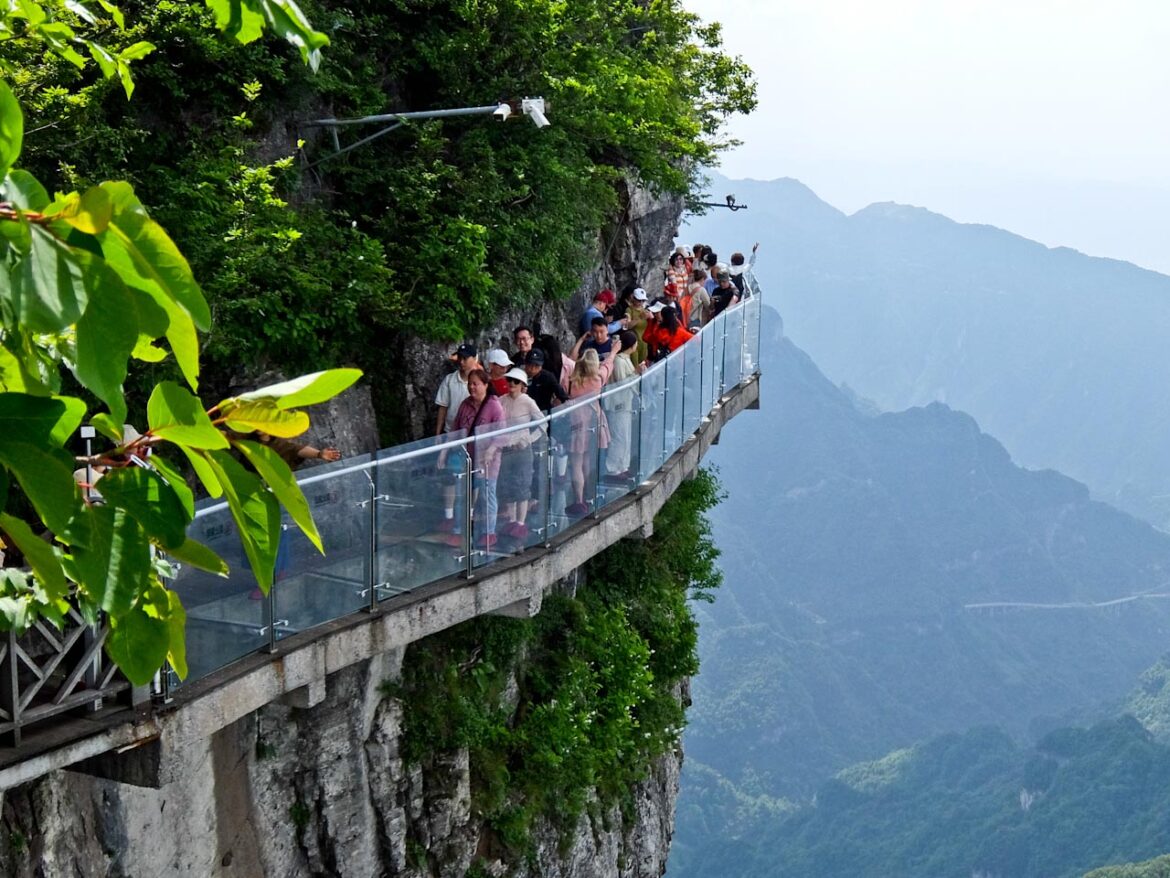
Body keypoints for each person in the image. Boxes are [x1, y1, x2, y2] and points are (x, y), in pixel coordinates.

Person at [565, 338, 622, 516]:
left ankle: (578, 499)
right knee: (589, 460)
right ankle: (590, 496)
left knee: (576, 462)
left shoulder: (572, 380)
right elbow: (608, 365)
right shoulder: (597, 378)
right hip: (593, 419)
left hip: (576, 421)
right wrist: (613, 351)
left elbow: (570, 360)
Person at [450, 369, 505, 549]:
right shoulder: (465, 404)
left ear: (485, 385)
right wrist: (444, 451)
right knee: (462, 494)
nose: (472, 387)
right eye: (470, 383)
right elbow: (456, 429)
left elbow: (501, 434)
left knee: (487, 496)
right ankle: (459, 530)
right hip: (466, 459)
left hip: (487, 461)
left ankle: (489, 532)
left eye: (476, 384)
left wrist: (491, 449)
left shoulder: (494, 406)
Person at [434, 343, 479, 531]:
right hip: (451, 433)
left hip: (473, 435)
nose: (461, 362)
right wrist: (438, 435)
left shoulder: (479, 381)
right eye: (460, 358)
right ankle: (449, 515)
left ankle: (470, 513)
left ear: (474, 359)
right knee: (450, 476)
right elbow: (442, 407)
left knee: (473, 476)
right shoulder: (450, 380)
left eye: (465, 358)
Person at [497, 367, 544, 540]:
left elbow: (543, 423)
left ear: (522, 384)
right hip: (506, 449)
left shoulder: (528, 401)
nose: (511, 384)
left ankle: (521, 522)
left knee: (522, 484)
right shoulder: (502, 400)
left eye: (515, 382)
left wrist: (529, 439)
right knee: (507, 483)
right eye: (509, 380)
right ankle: (511, 520)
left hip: (523, 449)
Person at [602, 330, 638, 482]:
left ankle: (623, 466)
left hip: (625, 404)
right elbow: (621, 383)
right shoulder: (619, 361)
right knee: (619, 436)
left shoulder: (626, 359)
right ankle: (613, 469)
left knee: (625, 437)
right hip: (618, 404)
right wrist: (636, 373)